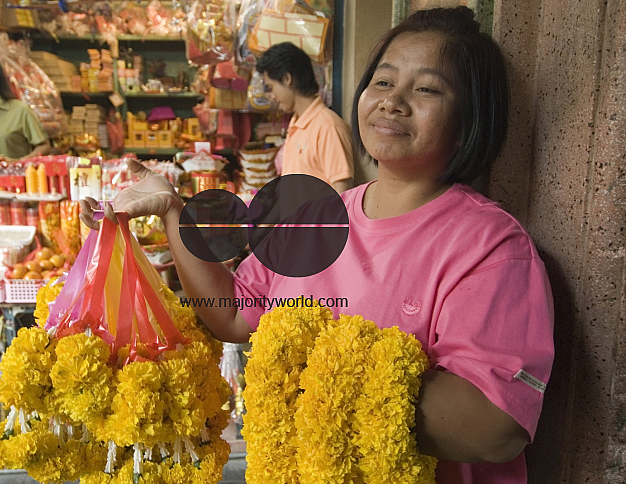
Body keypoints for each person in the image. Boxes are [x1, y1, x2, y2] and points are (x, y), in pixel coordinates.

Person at [81, 7, 554, 483]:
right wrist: (173, 213)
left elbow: (496, 427)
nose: (393, 103)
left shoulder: (490, 247)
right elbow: (232, 314)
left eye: (426, 89)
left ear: (471, 117)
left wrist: (313, 368)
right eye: (383, 82)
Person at [256, 42, 355, 193]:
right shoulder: (296, 123)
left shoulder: (329, 127)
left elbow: (343, 195)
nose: (271, 96)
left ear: (287, 79)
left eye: (271, 87)